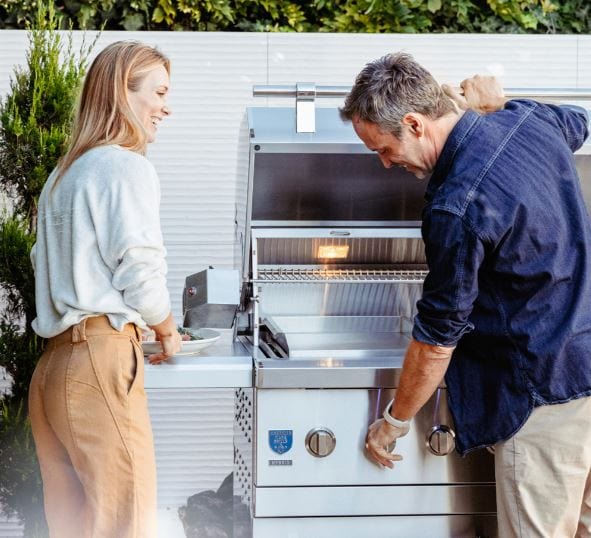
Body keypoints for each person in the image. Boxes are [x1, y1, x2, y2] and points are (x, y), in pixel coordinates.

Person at [340, 52, 591, 536]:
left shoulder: (458, 202)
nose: (386, 164)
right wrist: (496, 104)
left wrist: (393, 420)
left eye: (383, 149)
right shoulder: (530, 121)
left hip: (545, 401)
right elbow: (578, 121)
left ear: (414, 123)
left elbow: (437, 338)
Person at [28, 41, 183, 538]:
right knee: (126, 522)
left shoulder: (63, 175)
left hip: (53, 369)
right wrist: (167, 328)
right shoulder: (123, 165)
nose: (166, 106)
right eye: (158, 92)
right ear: (122, 92)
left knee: (72, 527)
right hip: (98, 359)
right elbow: (138, 270)